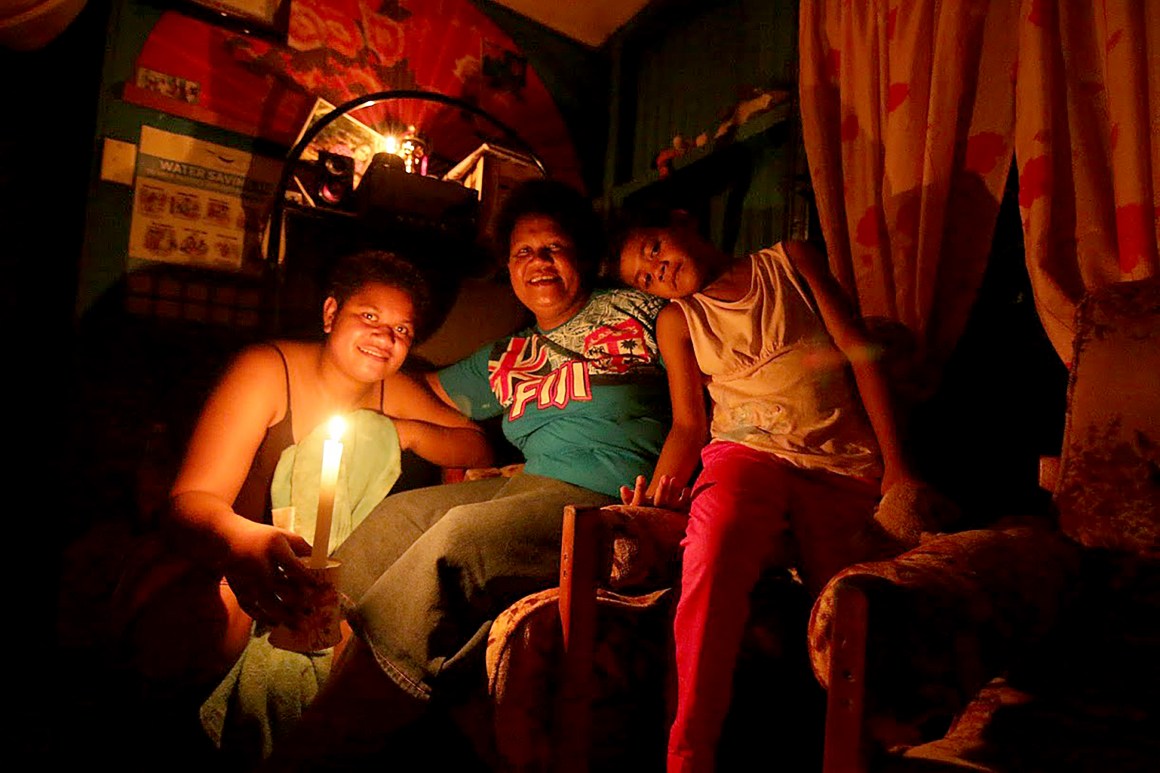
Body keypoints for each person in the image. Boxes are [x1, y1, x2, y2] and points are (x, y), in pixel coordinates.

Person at [257, 178, 672, 770]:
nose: (539, 263)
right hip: (530, 484)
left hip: (606, 494)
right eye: (523, 252)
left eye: (554, 247)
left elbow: (713, 377)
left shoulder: (643, 311)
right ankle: (286, 683)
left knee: (454, 546)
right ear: (507, 266)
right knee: (396, 520)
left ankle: (322, 746)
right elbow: (418, 387)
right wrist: (323, 367)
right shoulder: (506, 356)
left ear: (585, 255)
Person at [119, 250, 493, 734]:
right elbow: (189, 504)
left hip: (313, 581)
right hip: (217, 566)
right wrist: (247, 543)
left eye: (402, 330)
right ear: (330, 313)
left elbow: (476, 447)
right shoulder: (267, 371)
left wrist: (403, 432)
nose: (385, 337)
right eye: (369, 317)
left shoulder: (387, 391)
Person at [614, 208, 923, 773]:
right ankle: (688, 754)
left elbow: (860, 351)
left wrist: (899, 468)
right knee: (714, 548)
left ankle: (870, 748)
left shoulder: (790, 261)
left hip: (836, 461)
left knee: (849, 602)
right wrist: (656, 496)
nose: (658, 271)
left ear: (684, 221)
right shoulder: (679, 320)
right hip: (745, 455)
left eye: (655, 248)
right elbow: (688, 423)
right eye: (644, 278)